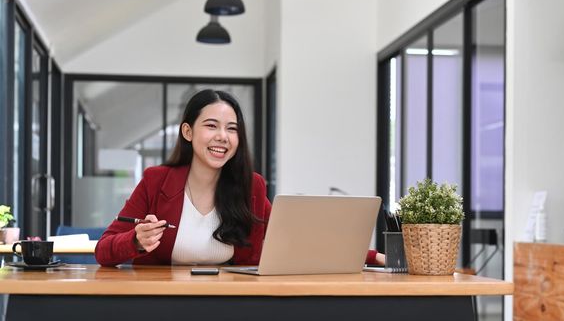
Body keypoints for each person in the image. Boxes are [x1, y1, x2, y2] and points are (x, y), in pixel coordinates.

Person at [95, 89, 383, 267]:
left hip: (229, 304)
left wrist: (374, 257)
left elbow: (295, 240)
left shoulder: (250, 187)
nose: (223, 136)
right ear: (187, 132)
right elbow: (103, 251)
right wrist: (135, 241)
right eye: (211, 125)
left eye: (232, 129)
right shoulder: (156, 181)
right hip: (161, 306)